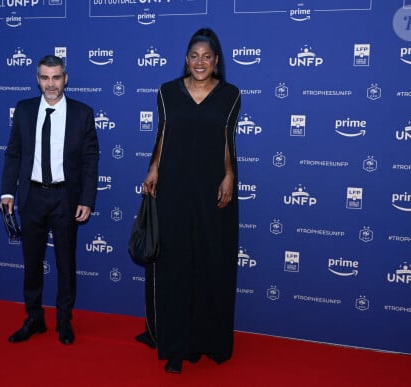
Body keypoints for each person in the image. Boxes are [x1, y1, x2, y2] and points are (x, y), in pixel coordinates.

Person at [138, 28, 241, 373]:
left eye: (207, 57)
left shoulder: (230, 94)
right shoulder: (168, 91)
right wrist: (153, 169)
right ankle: (175, 345)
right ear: (186, 59)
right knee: (175, 265)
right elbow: (163, 134)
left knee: (211, 263)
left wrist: (230, 176)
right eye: (194, 56)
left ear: (216, 61)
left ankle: (208, 340)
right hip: (174, 188)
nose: (200, 62)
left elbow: (228, 139)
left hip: (212, 190)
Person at [1, 54, 99, 345]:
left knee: (65, 263)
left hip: (65, 198)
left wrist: (87, 198)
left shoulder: (82, 113)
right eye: (45, 77)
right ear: (37, 78)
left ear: (65, 78)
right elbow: (13, 153)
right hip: (31, 197)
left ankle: (64, 319)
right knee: (31, 263)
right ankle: (34, 318)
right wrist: (7, 192)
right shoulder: (25, 110)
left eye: (56, 77)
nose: (51, 84)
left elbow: (90, 160)